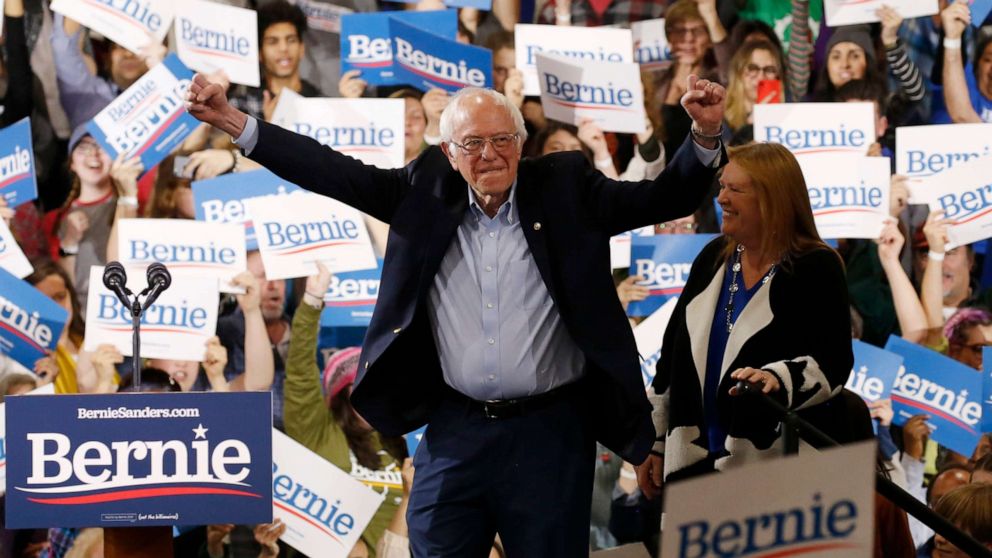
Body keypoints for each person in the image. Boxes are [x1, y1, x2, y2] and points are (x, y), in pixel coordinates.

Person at [185, 66, 726, 554]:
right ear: (448, 151)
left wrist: (702, 136)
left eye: (501, 140)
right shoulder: (423, 191)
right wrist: (234, 120)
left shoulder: (565, 188)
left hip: (551, 433)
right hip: (455, 428)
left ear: (520, 142)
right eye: (473, 143)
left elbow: (664, 199)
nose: (489, 154)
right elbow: (330, 170)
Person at [637, 142, 854, 488]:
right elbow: (671, 358)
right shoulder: (711, 258)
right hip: (693, 466)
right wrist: (655, 438)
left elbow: (834, 360)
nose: (721, 199)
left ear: (773, 199)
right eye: (722, 186)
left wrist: (779, 379)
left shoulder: (816, 267)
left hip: (773, 473)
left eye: (735, 189)